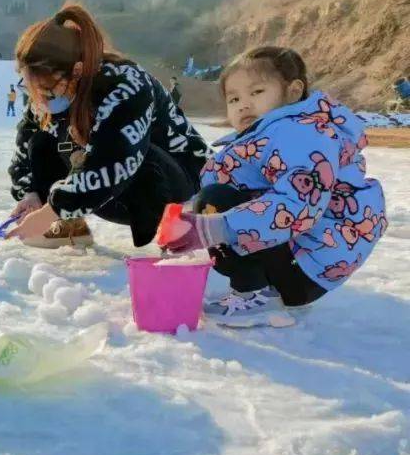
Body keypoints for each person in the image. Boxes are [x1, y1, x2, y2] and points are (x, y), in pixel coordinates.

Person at [161, 47, 387, 327]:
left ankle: (254, 295)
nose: (243, 104)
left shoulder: (299, 133)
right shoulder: (270, 137)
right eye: (234, 98)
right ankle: (269, 293)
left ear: (293, 92)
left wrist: (214, 226)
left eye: (256, 93)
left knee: (215, 199)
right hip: (303, 258)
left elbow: (299, 204)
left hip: (307, 261)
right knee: (215, 198)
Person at [7, 3, 211, 250]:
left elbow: (114, 159)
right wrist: (30, 193)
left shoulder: (126, 85)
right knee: (42, 140)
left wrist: (50, 212)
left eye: (49, 90)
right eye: (33, 90)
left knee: (133, 151)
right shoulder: (50, 90)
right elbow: (26, 140)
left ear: (77, 71)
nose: (42, 99)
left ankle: (180, 230)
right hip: (116, 190)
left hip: (178, 183)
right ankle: (72, 225)